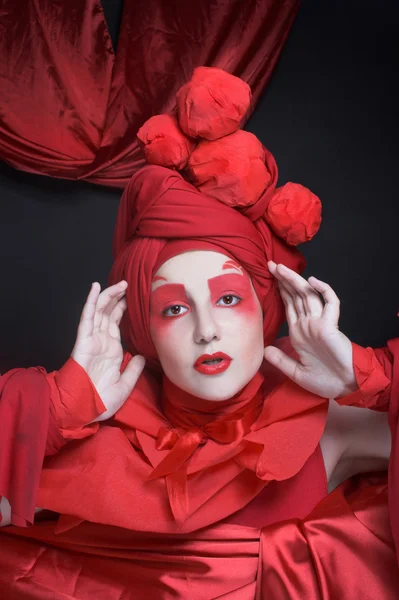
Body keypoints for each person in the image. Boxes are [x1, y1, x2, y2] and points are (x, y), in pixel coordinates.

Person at [0, 68, 398, 599]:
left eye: (229, 299)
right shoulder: (96, 440)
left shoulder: (327, 428)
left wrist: (371, 375)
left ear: (265, 309)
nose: (207, 332)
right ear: (143, 328)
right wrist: (56, 405)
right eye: (173, 309)